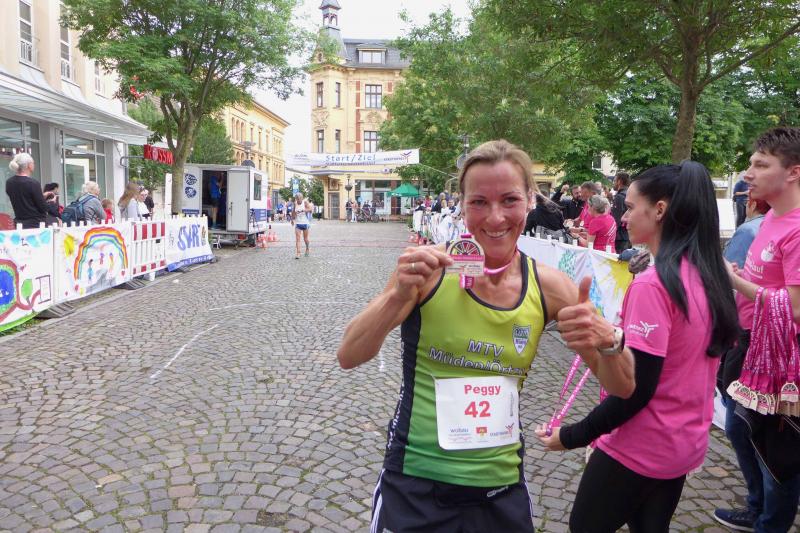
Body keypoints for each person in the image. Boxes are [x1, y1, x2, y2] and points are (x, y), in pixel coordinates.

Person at [337, 140, 634, 533]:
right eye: (479, 202)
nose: (495, 218)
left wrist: (608, 341)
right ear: (462, 205)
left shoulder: (551, 287)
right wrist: (397, 296)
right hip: (415, 485)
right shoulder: (427, 271)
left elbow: (624, 386)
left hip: (500, 490)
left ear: (530, 201)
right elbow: (349, 355)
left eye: (509, 200)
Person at [536, 161, 739, 532]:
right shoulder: (705, 275)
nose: (624, 217)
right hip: (684, 443)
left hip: (641, 446)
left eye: (630, 207)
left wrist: (571, 435)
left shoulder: (654, 285)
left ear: (659, 210)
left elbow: (635, 390)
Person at [715, 127, 800, 533]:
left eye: (761, 165)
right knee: (739, 428)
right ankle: (758, 509)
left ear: (794, 172)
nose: (748, 173)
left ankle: (770, 522)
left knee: (776, 451)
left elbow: (796, 308)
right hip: (749, 342)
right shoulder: (770, 219)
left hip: (779, 355)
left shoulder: (797, 229)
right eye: (751, 163)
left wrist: (735, 281)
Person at [722, 195, 769, 268]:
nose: (746, 205)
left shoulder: (746, 230)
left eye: (746, 202)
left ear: (753, 205)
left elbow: (733, 265)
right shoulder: (772, 225)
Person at [5, 153, 51, 229]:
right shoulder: (33, 183)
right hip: (36, 224)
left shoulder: (9, 182)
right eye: (33, 163)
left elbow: (23, 198)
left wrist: (41, 196)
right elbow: (43, 208)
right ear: (29, 165)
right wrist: (50, 202)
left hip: (19, 223)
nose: (34, 165)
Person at [612, 172, 631, 252]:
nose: (613, 183)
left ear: (619, 181)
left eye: (614, 181)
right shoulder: (630, 194)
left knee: (619, 258)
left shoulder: (619, 197)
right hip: (628, 234)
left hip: (620, 237)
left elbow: (616, 219)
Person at [293, 192, 311, 259]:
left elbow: (310, 209)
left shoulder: (305, 202)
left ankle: (307, 249)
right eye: (297, 199)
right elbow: (293, 211)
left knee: (305, 239)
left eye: (299, 199)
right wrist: (292, 219)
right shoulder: (295, 203)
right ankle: (298, 253)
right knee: (297, 239)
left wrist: (304, 210)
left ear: (302, 198)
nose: (298, 200)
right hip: (298, 223)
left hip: (305, 223)